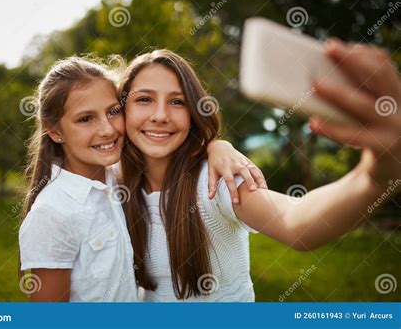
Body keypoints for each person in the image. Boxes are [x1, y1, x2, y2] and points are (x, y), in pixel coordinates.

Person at [118, 43, 400, 301]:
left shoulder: (216, 181)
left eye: (177, 102)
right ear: (121, 111)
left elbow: (296, 221)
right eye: (144, 99)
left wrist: (373, 177)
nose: (160, 115)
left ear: (193, 113)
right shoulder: (113, 185)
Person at [18, 56, 266, 301]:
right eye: (85, 119)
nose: (107, 129)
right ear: (54, 130)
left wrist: (216, 146)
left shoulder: (117, 181)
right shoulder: (52, 212)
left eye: (113, 112)